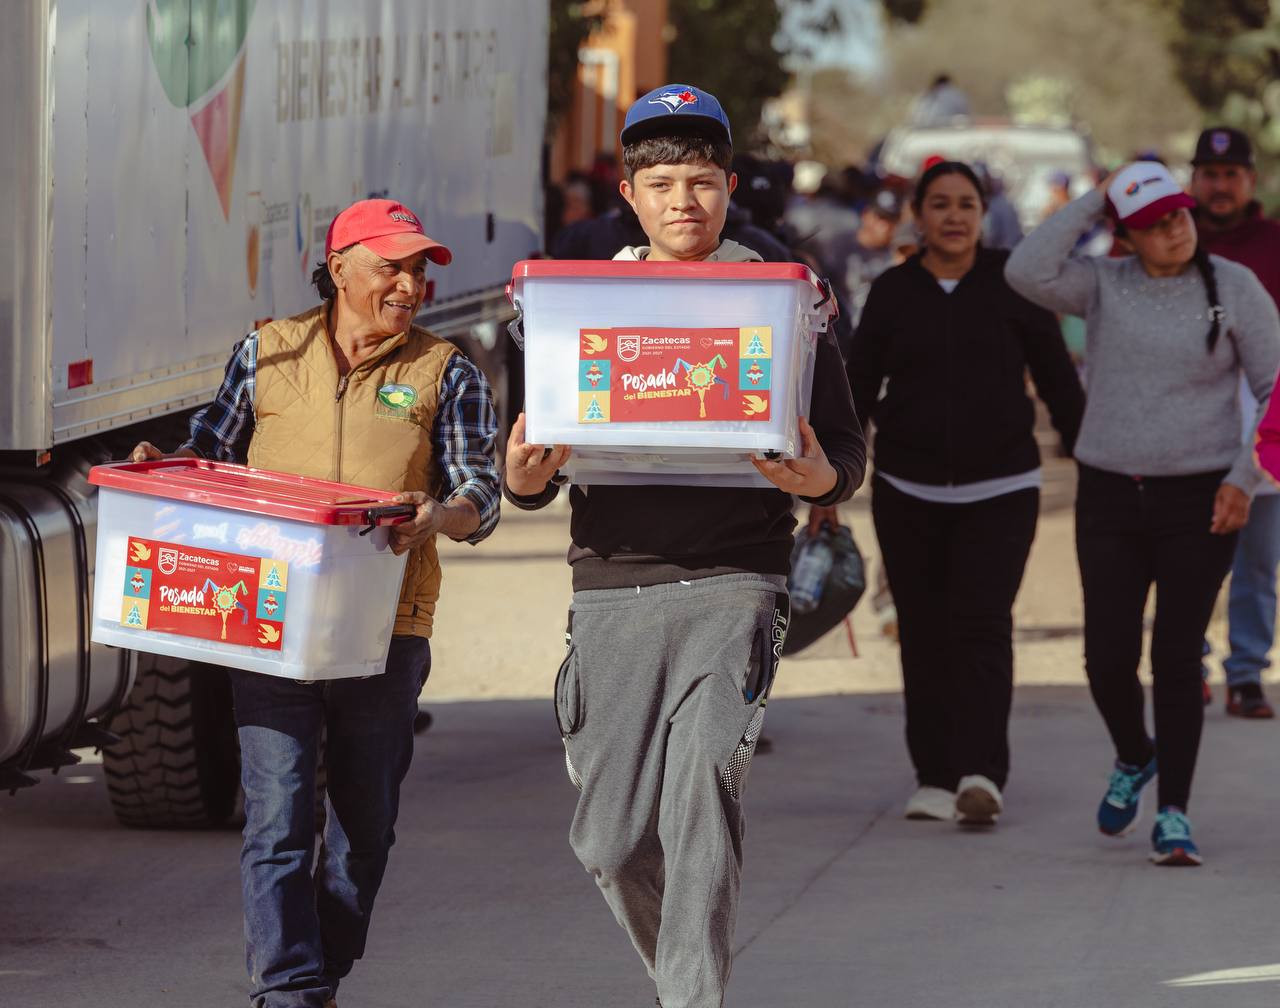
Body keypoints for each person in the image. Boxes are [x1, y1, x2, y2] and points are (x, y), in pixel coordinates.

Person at [504, 84, 866, 1007]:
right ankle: (681, 978)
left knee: (703, 793)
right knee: (611, 843)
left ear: (731, 188)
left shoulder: (788, 301)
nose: (683, 203)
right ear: (629, 195)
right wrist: (524, 477)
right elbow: (536, 470)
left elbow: (844, 452)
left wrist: (814, 479)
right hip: (611, 583)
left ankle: (691, 999)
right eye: (661, 185)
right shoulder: (581, 307)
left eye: (702, 182)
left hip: (737, 580)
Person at [130, 199, 502, 1005]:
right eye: (391, 267)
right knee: (278, 817)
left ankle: (321, 967)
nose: (410, 285)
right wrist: (167, 467)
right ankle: (288, 990)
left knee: (364, 828)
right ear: (338, 267)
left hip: (386, 629)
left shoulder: (445, 369)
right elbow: (211, 454)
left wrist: (438, 514)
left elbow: (481, 489)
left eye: (419, 270)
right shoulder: (267, 353)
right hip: (271, 619)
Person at [1006, 162, 1280, 866]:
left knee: (1177, 656)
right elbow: (1025, 271)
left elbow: (1275, 386)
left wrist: (1245, 478)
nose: (1174, 229)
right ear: (1126, 236)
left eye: (1179, 215)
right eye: (1154, 223)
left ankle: (1174, 814)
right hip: (1109, 493)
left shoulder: (1234, 287)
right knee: (1106, 658)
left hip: (1202, 498)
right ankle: (1134, 754)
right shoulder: (1102, 283)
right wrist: (1100, 196)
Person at [845, 160, 1084, 826]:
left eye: (966, 204)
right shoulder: (893, 291)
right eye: (941, 204)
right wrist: (834, 478)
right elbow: (857, 385)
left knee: (981, 625)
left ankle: (981, 773)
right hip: (906, 488)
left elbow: (1058, 381)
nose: (954, 216)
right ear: (918, 216)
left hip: (1002, 488)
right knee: (922, 632)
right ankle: (934, 777)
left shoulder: (1014, 285)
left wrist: (1094, 464)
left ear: (984, 214)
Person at [1189, 126, 1280, 718]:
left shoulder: (1275, 242)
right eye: (1210, 175)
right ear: (1193, 179)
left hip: (1265, 427)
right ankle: (1186, 663)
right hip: (1186, 429)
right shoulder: (1169, 237)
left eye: (1231, 175)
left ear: (1251, 180)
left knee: (1258, 559)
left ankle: (1246, 672)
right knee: (1185, 556)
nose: (1220, 186)